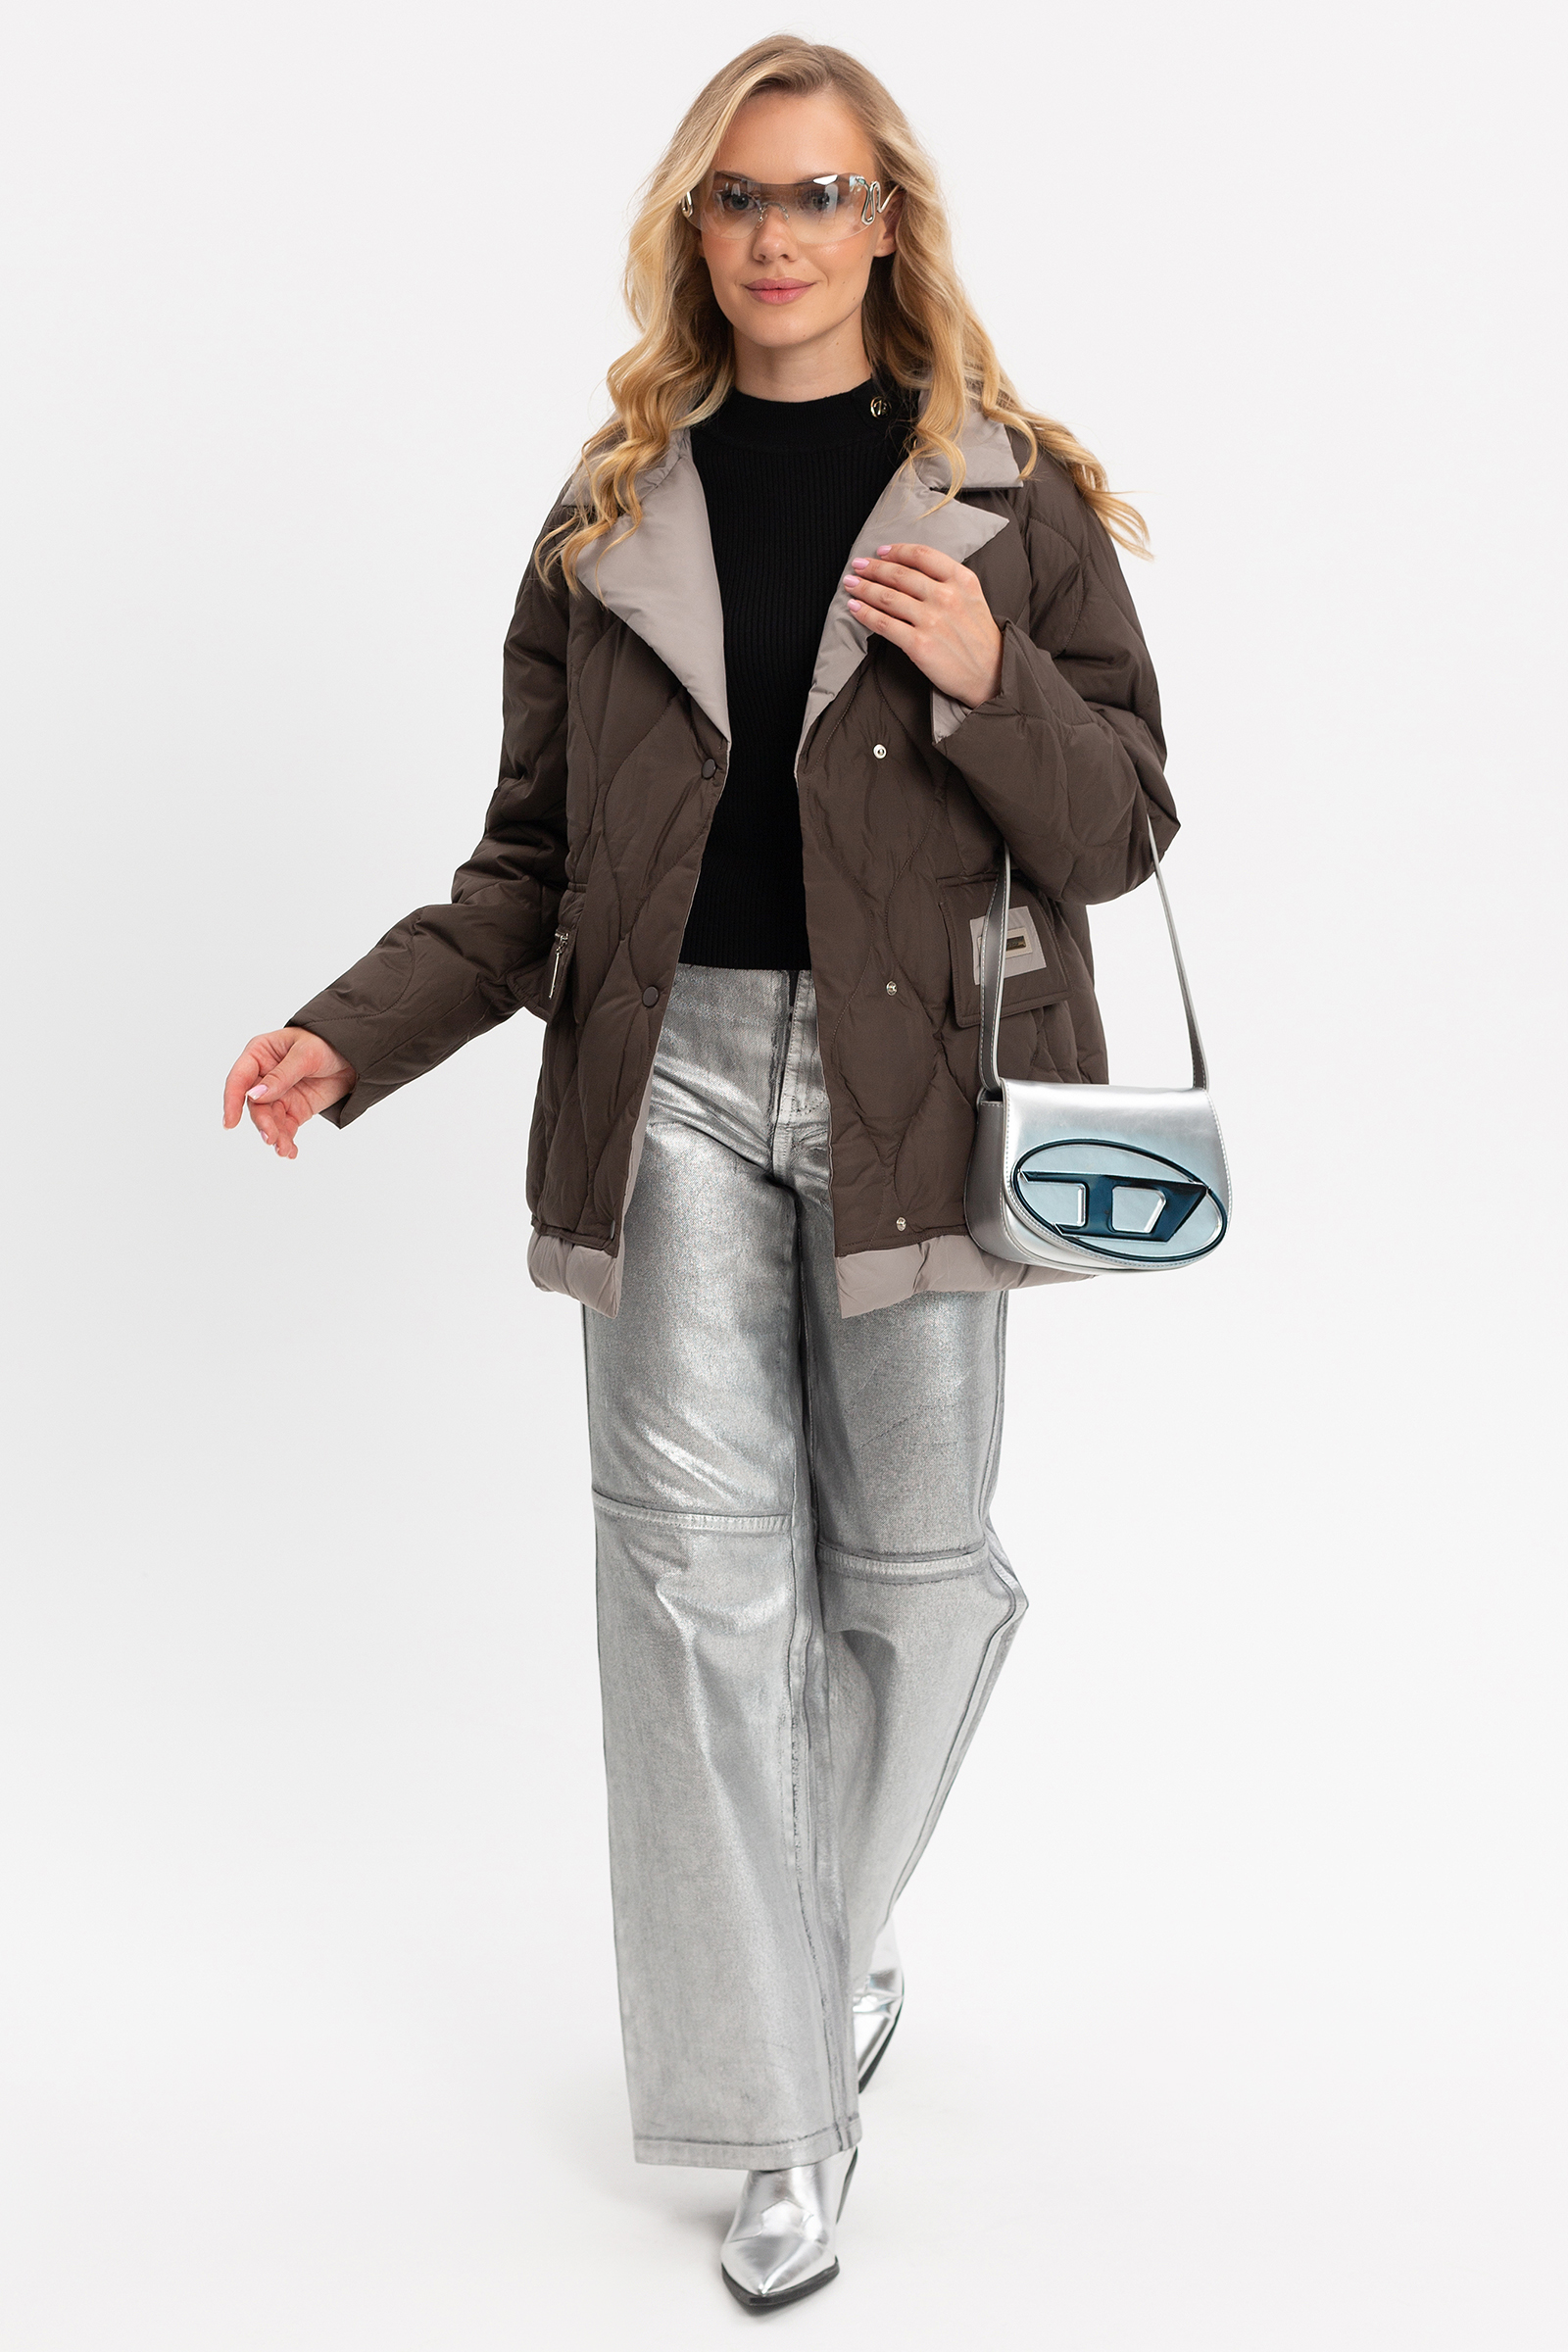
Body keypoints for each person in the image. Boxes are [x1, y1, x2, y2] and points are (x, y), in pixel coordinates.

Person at [222, 34, 1175, 2313]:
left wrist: (987, 677)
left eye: (817, 194)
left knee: (918, 1578)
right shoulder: (610, 507)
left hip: (920, 1088)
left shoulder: (1003, 493)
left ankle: (812, 1952)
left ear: (884, 221)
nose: (774, 237)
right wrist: (350, 1034)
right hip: (660, 1085)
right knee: (694, 1601)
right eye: (737, 197)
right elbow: (529, 869)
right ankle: (777, 2115)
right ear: (693, 226)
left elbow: (1121, 828)